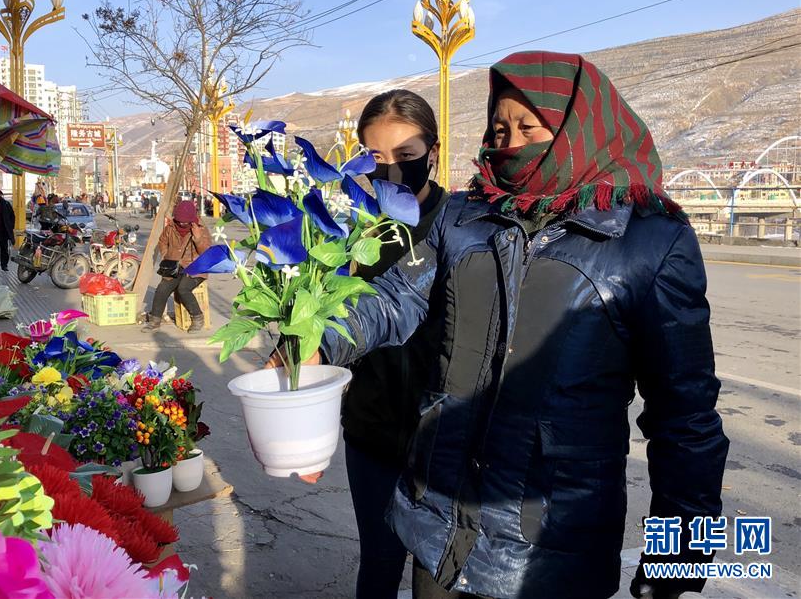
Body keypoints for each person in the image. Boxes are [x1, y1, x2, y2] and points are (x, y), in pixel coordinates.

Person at [286, 52, 729, 599]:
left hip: (553, 548)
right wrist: (316, 339)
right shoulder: (465, 218)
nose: (511, 142)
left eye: (528, 127)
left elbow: (684, 413)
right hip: (439, 530)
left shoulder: (650, 241)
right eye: (500, 128)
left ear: (574, 128)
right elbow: (394, 298)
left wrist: (680, 552)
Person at [339, 90, 449, 599]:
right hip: (372, 429)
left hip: (443, 439)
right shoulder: (354, 233)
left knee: (437, 573)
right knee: (379, 563)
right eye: (375, 158)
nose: (392, 172)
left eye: (406, 157)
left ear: (434, 151)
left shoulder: (462, 226)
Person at [143, 200, 211, 333]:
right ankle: (155, 320)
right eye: (179, 220)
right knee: (162, 289)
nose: (181, 224)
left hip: (195, 267)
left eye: (185, 221)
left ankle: (198, 318)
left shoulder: (200, 229)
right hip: (175, 266)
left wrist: (198, 238)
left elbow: (206, 252)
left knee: (183, 289)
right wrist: (166, 255)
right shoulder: (171, 227)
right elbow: (162, 241)